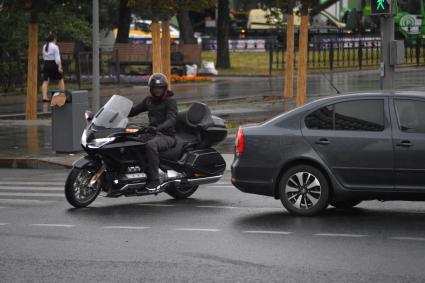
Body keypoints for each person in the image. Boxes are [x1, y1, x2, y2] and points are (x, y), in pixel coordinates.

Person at [128, 73, 178, 191]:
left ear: (165, 88)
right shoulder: (149, 101)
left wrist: (159, 128)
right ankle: (138, 173)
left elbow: (172, 119)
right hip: (152, 133)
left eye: (160, 88)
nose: (157, 91)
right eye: (155, 88)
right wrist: (116, 113)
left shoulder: (170, 101)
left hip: (167, 135)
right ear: (151, 89)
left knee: (151, 145)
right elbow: (134, 111)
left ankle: (155, 180)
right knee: (131, 141)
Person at [41, 33, 65, 102]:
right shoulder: (55, 47)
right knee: (60, 79)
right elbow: (57, 58)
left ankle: (44, 97)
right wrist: (59, 67)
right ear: (54, 39)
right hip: (53, 64)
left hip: (46, 63)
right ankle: (62, 94)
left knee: (45, 81)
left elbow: (43, 56)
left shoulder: (44, 46)